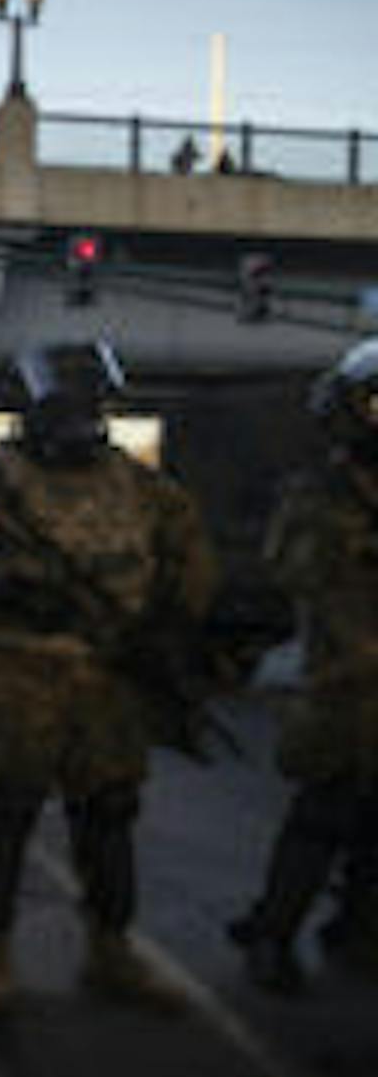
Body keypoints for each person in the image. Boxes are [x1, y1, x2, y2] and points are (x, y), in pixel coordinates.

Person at [0, 336, 217, 1017]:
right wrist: (10, 590)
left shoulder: (138, 485)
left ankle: (110, 950)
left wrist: (166, 634)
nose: (79, 420)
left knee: (109, 813)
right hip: (22, 670)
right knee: (5, 811)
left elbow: (189, 565)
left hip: (109, 676)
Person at [227, 340, 378, 992]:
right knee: (323, 816)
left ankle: (358, 931)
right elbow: (301, 572)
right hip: (347, 686)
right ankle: (272, 932)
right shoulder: (322, 496)